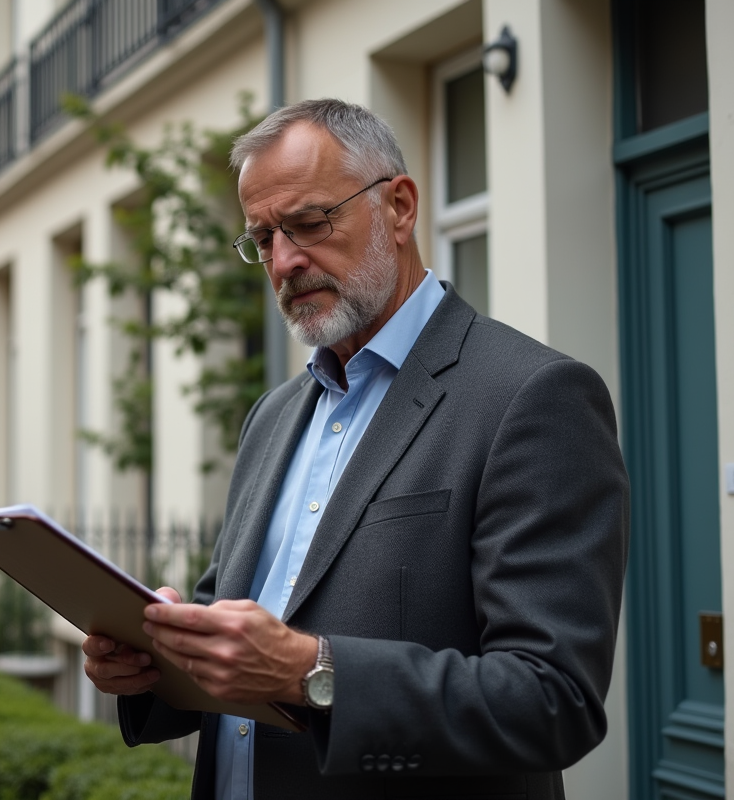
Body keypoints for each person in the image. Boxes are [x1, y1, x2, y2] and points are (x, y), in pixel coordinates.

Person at [82, 99, 629, 799]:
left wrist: (311, 671)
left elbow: (553, 700)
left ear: (399, 207)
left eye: (310, 222)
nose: (285, 261)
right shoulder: (272, 417)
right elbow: (230, 624)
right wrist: (155, 663)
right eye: (263, 238)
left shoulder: (533, 396)